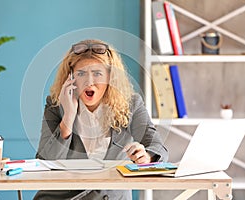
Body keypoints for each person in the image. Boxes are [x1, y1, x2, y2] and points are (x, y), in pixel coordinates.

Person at [34, 39, 168, 200]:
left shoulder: (131, 105)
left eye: (97, 74)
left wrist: (147, 157)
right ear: (71, 77)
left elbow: (157, 147)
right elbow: (45, 161)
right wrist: (68, 117)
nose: (89, 82)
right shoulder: (55, 105)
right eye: (81, 73)